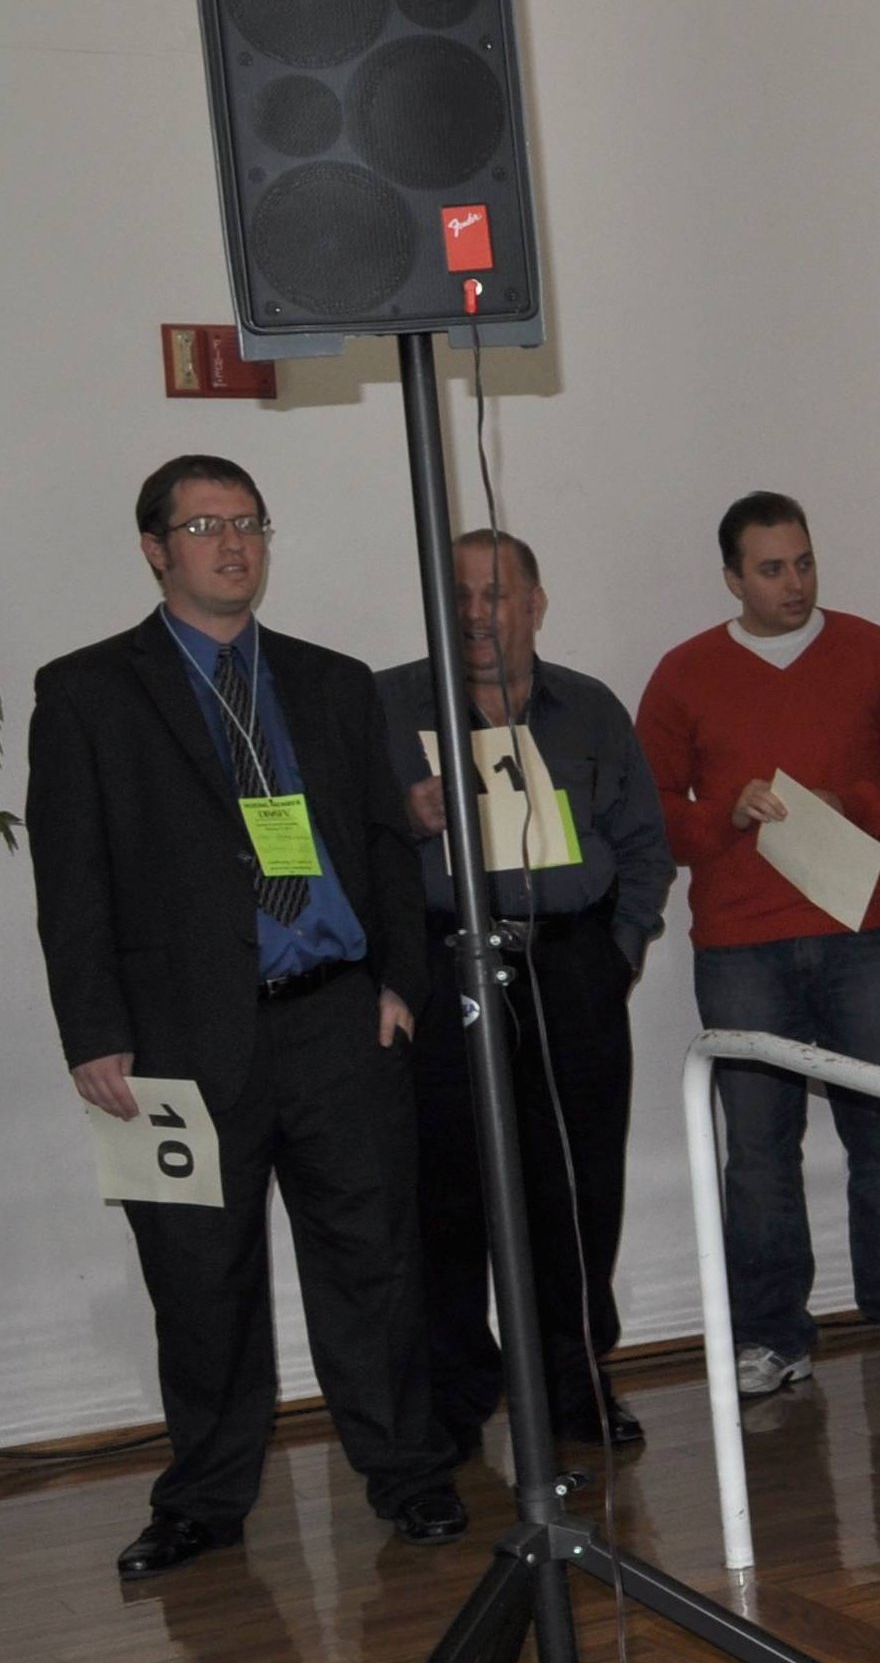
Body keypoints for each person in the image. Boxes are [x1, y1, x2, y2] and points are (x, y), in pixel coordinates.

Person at [29, 455, 465, 1576]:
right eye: (205, 525)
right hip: (176, 1041)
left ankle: (409, 1474)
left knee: (373, 1263)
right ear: (154, 549)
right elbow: (71, 878)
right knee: (198, 1277)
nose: (234, 544)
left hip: (337, 1023)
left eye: (250, 523)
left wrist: (400, 982)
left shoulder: (333, 681)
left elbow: (384, 843)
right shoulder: (85, 691)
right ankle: (205, 1500)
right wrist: (93, 1031)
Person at [636, 492, 880, 1396]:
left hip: (867, 935)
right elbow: (647, 812)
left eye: (805, 563)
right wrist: (724, 815)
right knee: (758, 1153)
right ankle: (771, 1336)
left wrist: (851, 805)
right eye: (772, 569)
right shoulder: (684, 674)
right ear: (732, 578)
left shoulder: (873, 652)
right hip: (742, 946)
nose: (795, 584)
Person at [377, 529, 673, 1456]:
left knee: (578, 1190)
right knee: (443, 1193)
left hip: (570, 969)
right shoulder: (384, 707)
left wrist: (616, 954)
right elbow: (343, 847)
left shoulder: (589, 708)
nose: (476, 614)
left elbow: (644, 844)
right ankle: (456, 1398)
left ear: (535, 604)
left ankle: (574, 1382)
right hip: (440, 972)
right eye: (459, 595)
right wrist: (404, 815)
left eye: (496, 594)